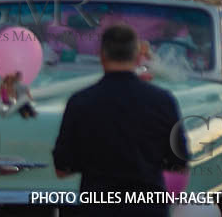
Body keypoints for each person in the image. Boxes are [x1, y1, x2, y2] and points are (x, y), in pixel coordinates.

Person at [52, 23, 189, 211]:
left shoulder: (79, 102)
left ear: (101, 55)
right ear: (137, 56)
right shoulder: (163, 101)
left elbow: (62, 169)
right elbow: (179, 164)